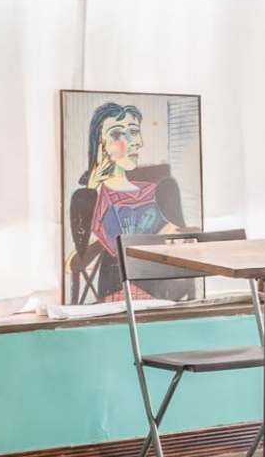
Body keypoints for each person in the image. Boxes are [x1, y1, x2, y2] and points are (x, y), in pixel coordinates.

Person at [66, 99, 189, 305]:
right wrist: (94, 186)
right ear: (101, 145)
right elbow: (74, 262)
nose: (133, 141)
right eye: (116, 134)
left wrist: (171, 236)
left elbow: (182, 243)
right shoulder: (89, 197)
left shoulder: (162, 190)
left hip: (163, 286)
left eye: (134, 131)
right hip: (119, 289)